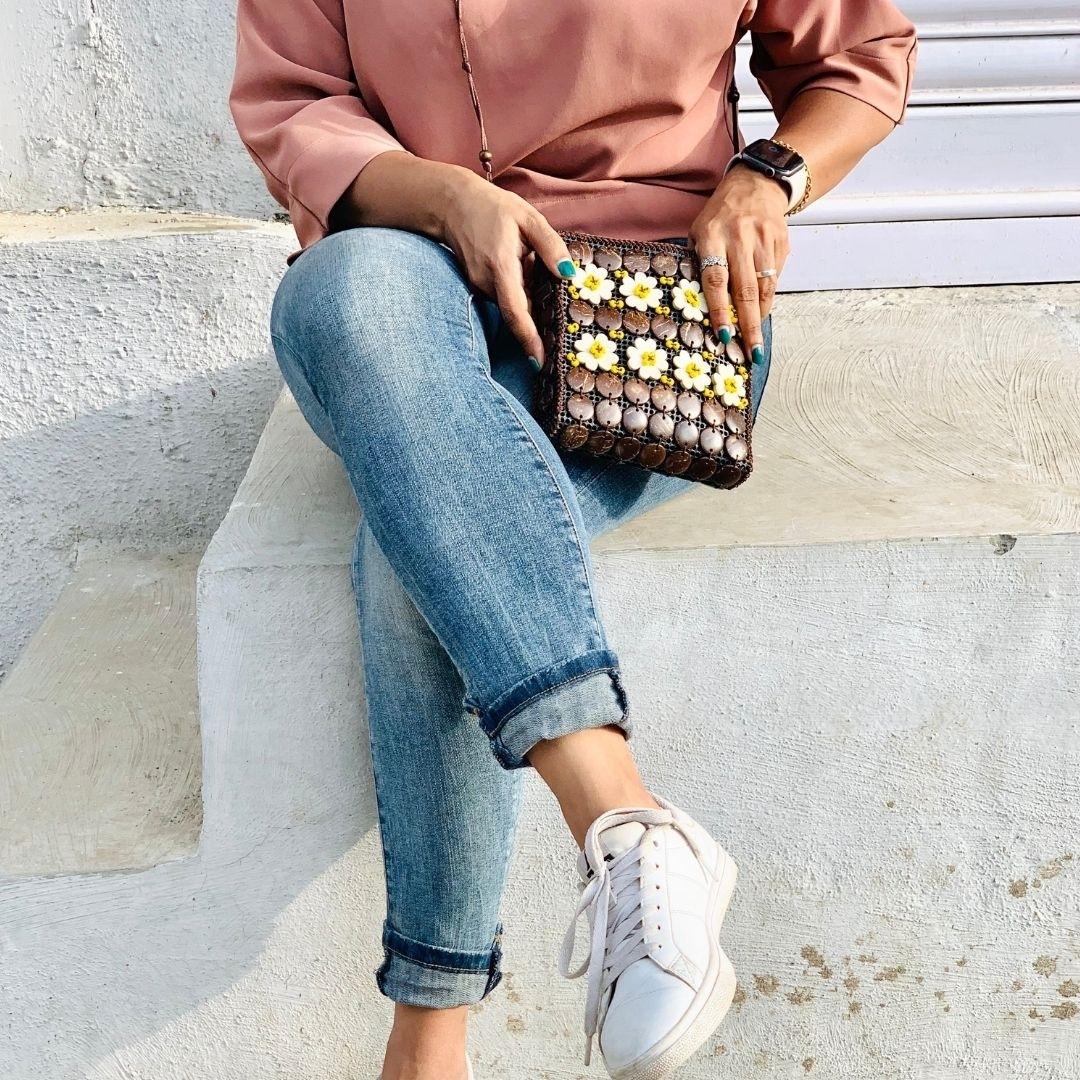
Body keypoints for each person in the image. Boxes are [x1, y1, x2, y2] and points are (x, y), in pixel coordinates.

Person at [230, 2, 917, 1076]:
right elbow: (296, 102)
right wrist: (451, 197)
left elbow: (859, 57)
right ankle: (628, 821)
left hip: (642, 318)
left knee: (418, 548)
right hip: (408, 299)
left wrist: (767, 172)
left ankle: (428, 1038)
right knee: (344, 286)